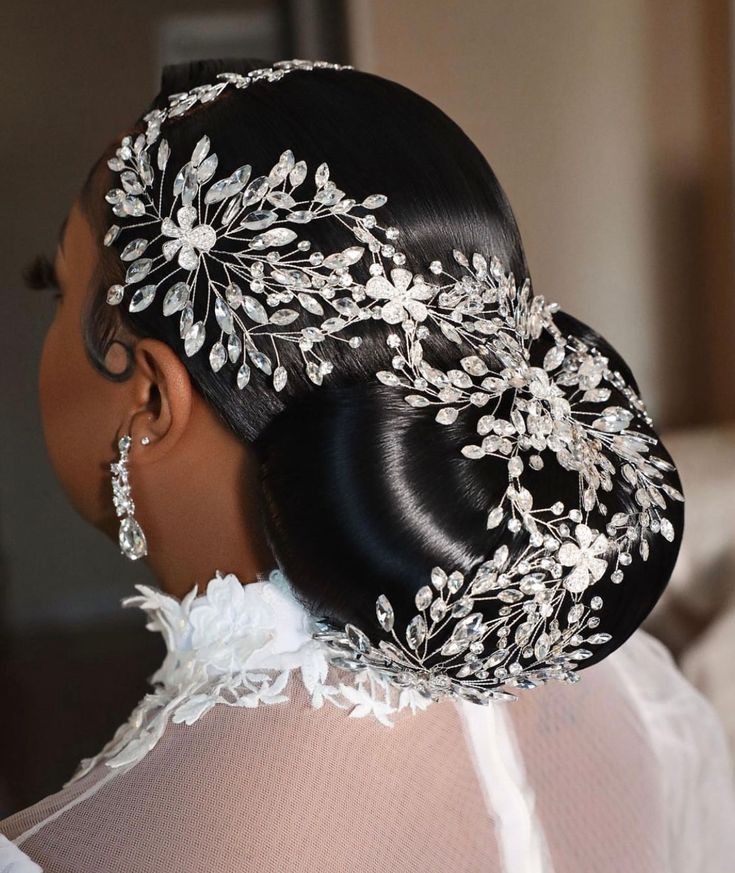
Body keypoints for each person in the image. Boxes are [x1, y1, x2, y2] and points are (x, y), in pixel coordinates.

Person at [1, 57, 734, 873]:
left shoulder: (72, 853)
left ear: (149, 399)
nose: (48, 311)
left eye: (55, 286)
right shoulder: (630, 687)